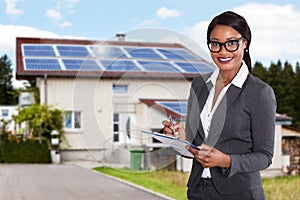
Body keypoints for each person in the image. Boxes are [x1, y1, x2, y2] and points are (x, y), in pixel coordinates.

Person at [162, 11, 276, 200]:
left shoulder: (259, 92)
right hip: (198, 191)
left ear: (245, 43)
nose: (223, 52)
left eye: (231, 43)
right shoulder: (199, 85)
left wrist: (226, 161)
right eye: (216, 44)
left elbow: (264, 156)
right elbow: (194, 144)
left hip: (240, 194)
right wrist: (177, 138)